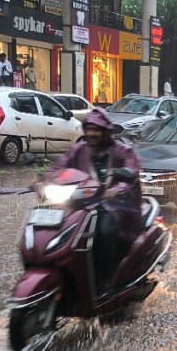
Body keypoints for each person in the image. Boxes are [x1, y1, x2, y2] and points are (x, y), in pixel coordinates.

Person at [43, 108, 143, 294]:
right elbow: (57, 169)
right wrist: (43, 183)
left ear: (106, 131)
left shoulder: (123, 151)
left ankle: (106, 279)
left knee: (105, 229)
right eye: (89, 129)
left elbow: (132, 174)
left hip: (116, 207)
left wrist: (115, 190)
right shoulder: (78, 150)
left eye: (97, 130)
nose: (92, 134)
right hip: (81, 204)